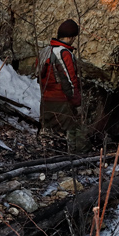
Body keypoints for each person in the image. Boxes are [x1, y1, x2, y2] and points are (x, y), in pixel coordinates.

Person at [39, 19, 86, 152]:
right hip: (61, 100)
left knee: (50, 134)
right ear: (71, 37)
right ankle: (77, 159)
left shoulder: (45, 51)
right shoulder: (63, 53)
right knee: (73, 130)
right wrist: (77, 103)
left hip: (45, 100)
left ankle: (50, 158)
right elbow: (69, 81)